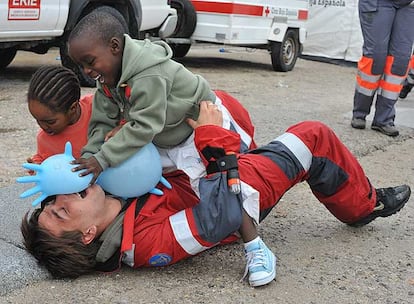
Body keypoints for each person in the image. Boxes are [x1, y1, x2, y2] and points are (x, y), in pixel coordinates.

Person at [21, 102, 411, 286]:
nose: (61, 199)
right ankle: (364, 206)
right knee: (313, 137)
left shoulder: (105, 197)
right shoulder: (148, 244)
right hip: (237, 193)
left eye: (53, 202)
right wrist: (211, 140)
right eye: (60, 212)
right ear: (88, 235)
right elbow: (220, 213)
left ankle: (241, 145)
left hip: (206, 171)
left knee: (215, 103)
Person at [66, 6, 253, 185]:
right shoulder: (106, 78)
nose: (86, 71)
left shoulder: (148, 74)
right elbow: (102, 122)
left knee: (223, 187)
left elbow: (145, 126)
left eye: (90, 62)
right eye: (81, 65)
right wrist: (89, 158)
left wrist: (102, 159)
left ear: (114, 47)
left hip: (201, 131)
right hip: (166, 136)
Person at [351, 0, 414, 136]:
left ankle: (384, 119)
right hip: (379, 3)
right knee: (375, 59)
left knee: (400, 61)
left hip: (408, 5)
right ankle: (360, 113)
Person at [26, 66, 93, 173]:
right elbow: (44, 161)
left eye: (50, 122)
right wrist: (38, 167)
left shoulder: (96, 108)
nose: (42, 127)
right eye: (37, 120)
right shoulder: (45, 139)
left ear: (73, 108)